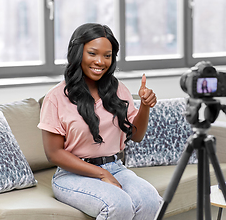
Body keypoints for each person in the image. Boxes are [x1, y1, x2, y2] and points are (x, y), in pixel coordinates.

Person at [37, 23, 161, 220]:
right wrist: (101, 174)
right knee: (118, 205)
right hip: (72, 175)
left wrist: (145, 106)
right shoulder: (56, 97)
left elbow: (137, 135)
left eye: (107, 55)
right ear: (78, 53)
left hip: (115, 167)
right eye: (92, 53)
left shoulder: (118, 90)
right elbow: (54, 154)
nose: (100, 61)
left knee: (151, 201)